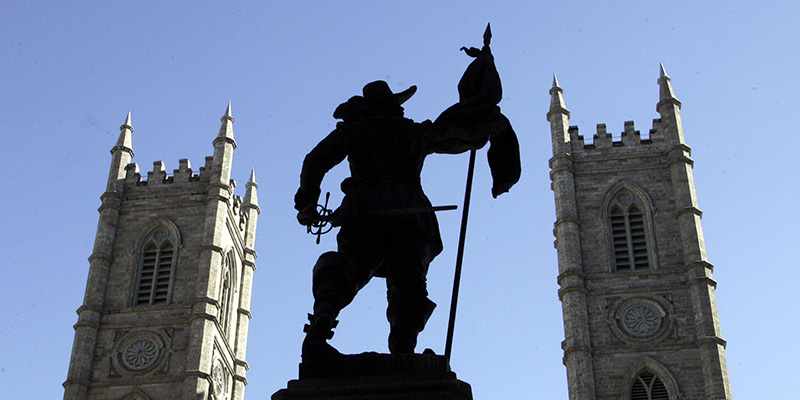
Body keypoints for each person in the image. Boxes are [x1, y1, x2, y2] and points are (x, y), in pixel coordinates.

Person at [294, 44, 519, 360]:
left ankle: (324, 317)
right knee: (408, 283)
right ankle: (404, 347)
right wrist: (480, 125)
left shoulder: (353, 131)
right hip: (411, 214)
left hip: (366, 211)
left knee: (349, 268)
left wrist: (307, 201)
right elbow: (454, 137)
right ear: (393, 106)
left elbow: (314, 161)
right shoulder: (414, 132)